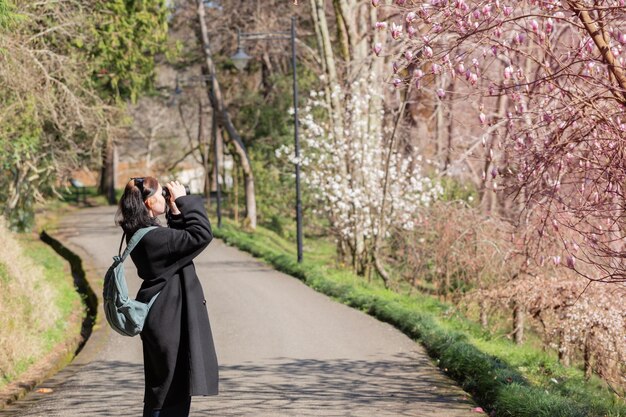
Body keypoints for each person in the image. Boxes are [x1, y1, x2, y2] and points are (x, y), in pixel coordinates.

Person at [115, 177, 218, 417]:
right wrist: (184, 201)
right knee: (168, 393)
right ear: (150, 203)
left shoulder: (145, 234)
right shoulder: (154, 238)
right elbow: (201, 234)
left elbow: (181, 244)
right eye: (163, 195)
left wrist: (175, 211)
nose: (167, 197)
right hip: (168, 322)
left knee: (170, 390)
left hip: (164, 319)